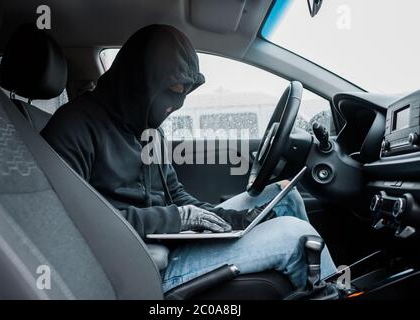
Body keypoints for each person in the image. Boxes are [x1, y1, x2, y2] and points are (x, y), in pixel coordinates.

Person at [41, 24, 336, 293]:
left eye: (183, 93)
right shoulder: (74, 128)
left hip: (169, 240)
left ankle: (314, 287)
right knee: (295, 236)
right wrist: (178, 219)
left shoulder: (147, 130)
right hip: (141, 264)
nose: (174, 106)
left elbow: (175, 193)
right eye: (170, 92)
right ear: (140, 81)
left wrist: (223, 219)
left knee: (285, 196)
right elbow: (72, 224)